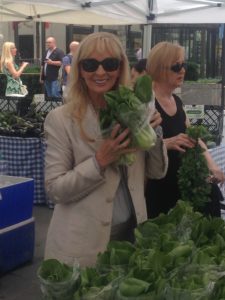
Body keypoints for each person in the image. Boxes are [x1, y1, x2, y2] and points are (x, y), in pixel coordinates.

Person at [43, 32, 168, 267]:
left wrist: (153, 132)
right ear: (80, 69)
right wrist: (99, 161)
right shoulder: (61, 119)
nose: (100, 72)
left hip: (131, 242)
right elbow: (55, 189)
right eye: (91, 64)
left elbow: (157, 172)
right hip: (82, 248)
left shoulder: (134, 107)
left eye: (109, 63)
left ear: (120, 67)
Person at [145, 41, 225, 219]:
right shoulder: (146, 104)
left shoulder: (177, 101)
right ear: (159, 69)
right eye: (176, 66)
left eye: (183, 65)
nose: (182, 70)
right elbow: (136, 149)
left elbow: (194, 138)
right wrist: (166, 143)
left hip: (183, 184)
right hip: (160, 186)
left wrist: (212, 166)